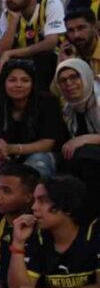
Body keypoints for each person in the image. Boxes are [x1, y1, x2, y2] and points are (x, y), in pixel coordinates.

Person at [0, 60, 64, 217]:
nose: (18, 85)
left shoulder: (47, 102)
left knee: (37, 160)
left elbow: (47, 143)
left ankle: (34, 216)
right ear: (4, 82)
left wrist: (13, 149)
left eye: (25, 80)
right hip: (4, 156)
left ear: (32, 83)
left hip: (37, 154)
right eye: (12, 80)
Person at [0, 0, 64, 87]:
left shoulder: (50, 3)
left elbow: (51, 43)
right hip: (21, 59)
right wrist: (13, 21)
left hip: (50, 59)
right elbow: (0, 51)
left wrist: (11, 53)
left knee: (44, 58)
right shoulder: (8, 12)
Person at [52, 58, 100, 196]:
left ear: (85, 76)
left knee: (84, 154)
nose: (69, 83)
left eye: (74, 77)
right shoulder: (69, 108)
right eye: (63, 80)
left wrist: (84, 139)